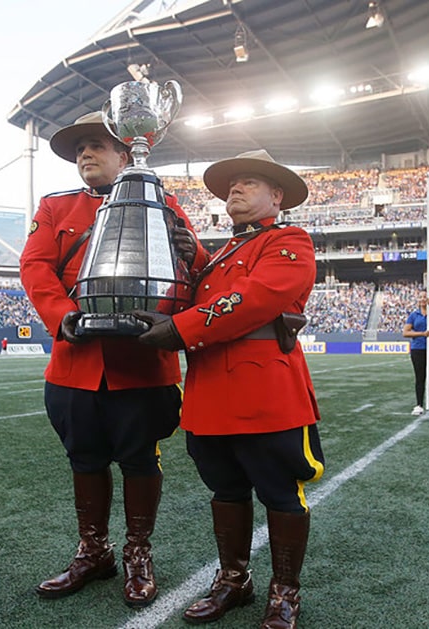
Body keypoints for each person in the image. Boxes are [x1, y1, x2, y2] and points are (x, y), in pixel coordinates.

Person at [18, 111, 208, 608]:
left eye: (96, 145)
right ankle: (94, 551)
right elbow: (35, 267)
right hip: (75, 364)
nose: (85, 153)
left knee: (140, 460)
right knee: (84, 459)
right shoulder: (56, 207)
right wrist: (62, 316)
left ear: (126, 154)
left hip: (141, 366)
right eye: (80, 148)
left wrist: (194, 253)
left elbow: (195, 273)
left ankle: (138, 553)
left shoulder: (164, 203)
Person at [133, 149, 324, 628]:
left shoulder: (289, 240)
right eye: (232, 184)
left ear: (277, 196)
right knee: (225, 489)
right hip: (210, 394)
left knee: (280, 492)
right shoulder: (220, 255)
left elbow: (252, 298)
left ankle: (285, 592)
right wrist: (195, 256)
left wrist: (178, 330)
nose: (235, 188)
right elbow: (218, 289)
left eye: (249, 182)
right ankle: (234, 580)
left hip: (265, 394)